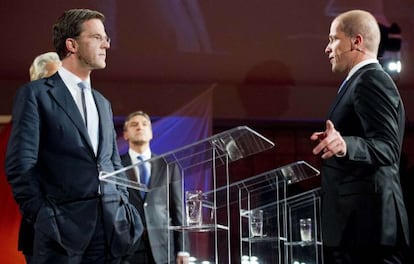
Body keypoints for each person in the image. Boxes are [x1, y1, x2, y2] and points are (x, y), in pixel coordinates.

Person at [5, 9, 142, 264]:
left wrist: (125, 210)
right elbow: (20, 165)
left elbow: (111, 162)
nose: (107, 44)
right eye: (97, 37)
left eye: (106, 37)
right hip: (60, 235)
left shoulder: (102, 102)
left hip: (110, 232)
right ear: (72, 44)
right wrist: (44, 216)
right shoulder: (36, 95)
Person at [310, 10, 409, 264]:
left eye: (333, 39)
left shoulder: (372, 80)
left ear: (356, 41)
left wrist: (345, 145)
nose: (327, 48)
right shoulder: (358, 82)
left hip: (369, 231)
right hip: (357, 231)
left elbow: (387, 147)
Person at [121, 111, 189, 264]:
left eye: (145, 124)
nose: (140, 127)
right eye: (134, 124)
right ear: (125, 134)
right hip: (127, 248)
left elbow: (178, 209)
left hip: (163, 248)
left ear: (151, 133)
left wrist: (183, 248)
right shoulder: (116, 166)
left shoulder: (168, 166)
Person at [16, 51, 61, 263]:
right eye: (53, 79)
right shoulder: (28, 117)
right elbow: (21, 170)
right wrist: (43, 216)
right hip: (41, 231)